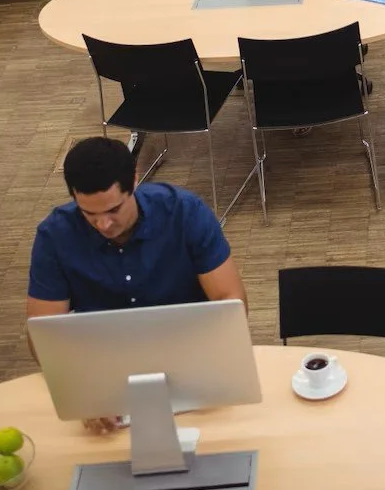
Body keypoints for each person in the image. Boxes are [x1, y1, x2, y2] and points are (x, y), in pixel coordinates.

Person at [27, 137, 248, 428]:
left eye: (113, 210)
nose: (103, 224)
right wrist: (84, 392)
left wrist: (208, 366)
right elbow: (43, 334)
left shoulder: (184, 213)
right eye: (89, 214)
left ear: (134, 180)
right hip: (103, 373)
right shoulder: (54, 236)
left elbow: (230, 302)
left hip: (191, 361)